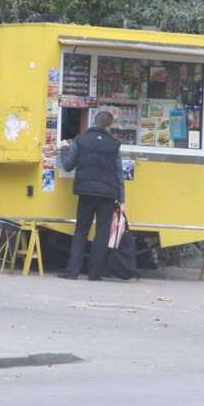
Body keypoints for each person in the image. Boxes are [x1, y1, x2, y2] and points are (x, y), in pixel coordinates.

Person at [58, 111, 125, 280]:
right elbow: (119, 173)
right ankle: (95, 274)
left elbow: (67, 165)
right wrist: (122, 198)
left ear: (93, 122)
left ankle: (73, 271)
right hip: (108, 194)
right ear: (109, 125)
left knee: (81, 230)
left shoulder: (80, 140)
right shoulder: (115, 144)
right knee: (102, 232)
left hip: (86, 191)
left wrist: (64, 149)